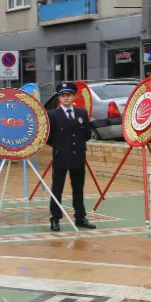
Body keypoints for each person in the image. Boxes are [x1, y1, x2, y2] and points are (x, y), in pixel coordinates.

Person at [47, 81, 98, 232]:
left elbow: (87, 134)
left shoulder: (81, 113)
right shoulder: (53, 115)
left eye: (68, 95)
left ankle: (80, 217)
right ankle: (55, 218)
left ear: (73, 96)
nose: (66, 98)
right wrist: (60, 147)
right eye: (63, 96)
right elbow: (49, 138)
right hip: (61, 157)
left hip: (78, 157)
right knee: (57, 189)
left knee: (78, 189)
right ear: (59, 98)